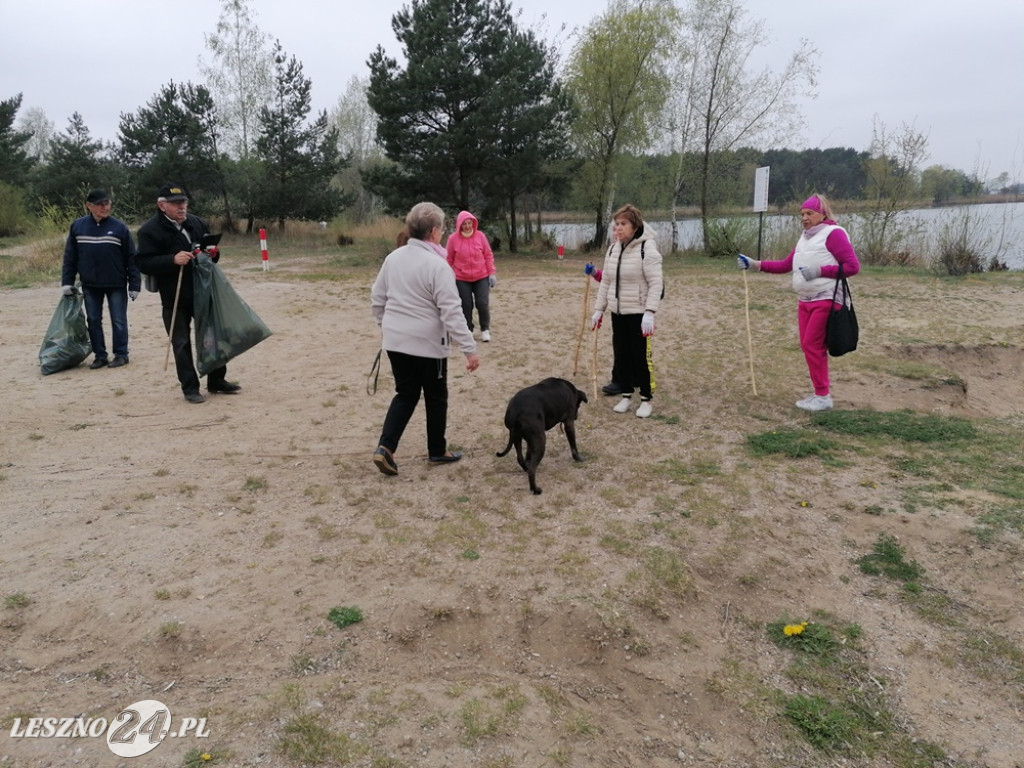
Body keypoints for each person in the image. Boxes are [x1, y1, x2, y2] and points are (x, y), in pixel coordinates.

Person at [371, 202, 480, 476]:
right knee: (436, 396)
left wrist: (387, 326)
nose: (442, 233)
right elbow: (452, 311)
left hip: (396, 343)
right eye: (442, 229)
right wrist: (469, 348)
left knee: (405, 394)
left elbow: (377, 299)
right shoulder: (438, 265)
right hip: (429, 347)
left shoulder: (393, 258)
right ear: (433, 232)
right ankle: (437, 450)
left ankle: (385, 448)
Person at [737, 193, 860, 412]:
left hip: (826, 298)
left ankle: (823, 396)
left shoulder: (834, 234)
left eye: (809, 213)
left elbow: (852, 266)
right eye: (802, 214)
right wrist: (755, 264)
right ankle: (819, 393)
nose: (804, 217)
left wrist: (820, 271)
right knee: (808, 345)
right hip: (805, 300)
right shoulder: (805, 237)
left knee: (812, 345)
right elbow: (786, 264)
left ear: (822, 214)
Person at [136, 183, 241, 404]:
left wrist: (213, 253)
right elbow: (143, 263)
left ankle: (216, 380)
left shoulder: (197, 222)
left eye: (183, 202)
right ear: (161, 205)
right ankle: (190, 387)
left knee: (212, 337)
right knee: (181, 343)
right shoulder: (149, 231)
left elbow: (207, 254)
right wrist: (172, 259)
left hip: (202, 291)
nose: (181, 207)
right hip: (174, 297)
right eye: (175, 203)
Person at [589, 204, 663, 418]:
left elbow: (656, 282)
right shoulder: (613, 249)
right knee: (621, 355)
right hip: (618, 312)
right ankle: (626, 395)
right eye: (616, 224)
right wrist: (598, 310)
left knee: (640, 356)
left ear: (635, 226)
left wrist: (650, 311)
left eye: (623, 224)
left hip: (639, 313)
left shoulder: (647, 248)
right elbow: (606, 283)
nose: (618, 229)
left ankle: (646, 399)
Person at [60, 189, 140, 369]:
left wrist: (134, 284)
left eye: (108, 203)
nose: (105, 207)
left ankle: (121, 354)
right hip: (90, 284)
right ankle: (100, 355)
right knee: (93, 320)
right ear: (89, 206)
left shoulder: (119, 227)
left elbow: (131, 258)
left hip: (116, 283)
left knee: (118, 320)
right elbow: (70, 257)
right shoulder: (78, 226)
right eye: (100, 204)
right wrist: (67, 282)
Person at [445, 210, 496, 342]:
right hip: (461, 278)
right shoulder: (453, 239)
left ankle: (485, 329)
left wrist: (491, 273)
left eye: (469, 223)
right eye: (464, 224)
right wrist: (446, 276)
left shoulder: (480, 236)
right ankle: (468, 330)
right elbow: (448, 259)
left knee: (482, 303)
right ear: (459, 225)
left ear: (473, 223)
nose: (467, 226)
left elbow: (488, 255)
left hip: (481, 276)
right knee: (466, 305)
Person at [583, 262, 625, 396]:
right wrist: (595, 273)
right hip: (617, 307)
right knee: (620, 345)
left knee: (636, 346)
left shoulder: (644, 250)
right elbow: (609, 279)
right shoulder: (615, 249)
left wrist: (649, 312)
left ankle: (637, 378)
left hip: (637, 307)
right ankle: (619, 380)